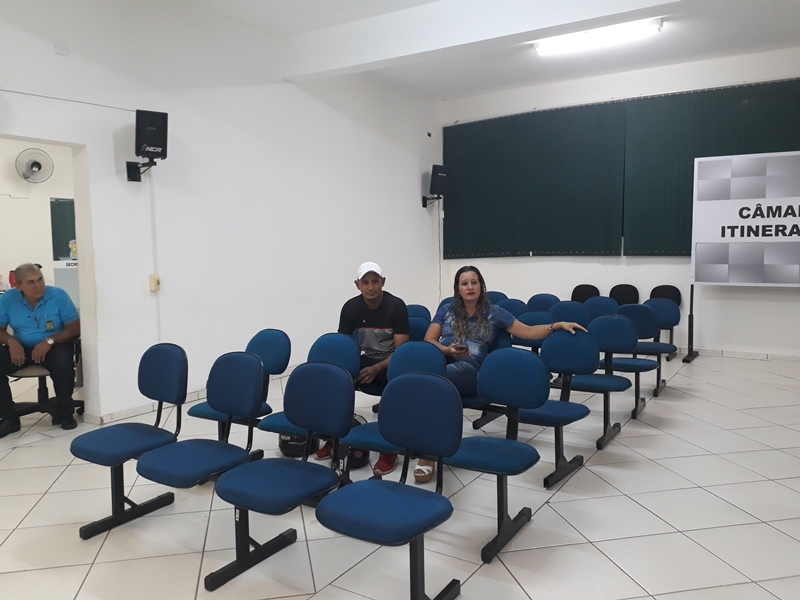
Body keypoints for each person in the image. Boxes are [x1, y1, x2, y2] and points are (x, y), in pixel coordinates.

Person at [417, 265, 586, 483]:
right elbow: (429, 339)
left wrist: (557, 325)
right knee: (419, 377)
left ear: (481, 285)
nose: (470, 287)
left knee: (437, 382)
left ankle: (428, 453)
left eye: (474, 282)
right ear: (457, 288)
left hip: (471, 368)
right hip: (443, 357)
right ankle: (415, 440)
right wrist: (447, 350)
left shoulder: (495, 313)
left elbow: (527, 331)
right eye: (464, 283)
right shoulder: (446, 310)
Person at [333, 261, 410, 476]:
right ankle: (334, 436)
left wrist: (377, 368)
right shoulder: (351, 307)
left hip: (392, 360)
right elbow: (343, 346)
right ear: (357, 284)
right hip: (366, 359)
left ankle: (389, 449)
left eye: (375, 281)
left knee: (396, 382)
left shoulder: (396, 306)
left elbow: (402, 352)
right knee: (337, 377)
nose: (371, 287)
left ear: (383, 282)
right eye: (365, 282)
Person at [0, 263, 81, 437]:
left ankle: (65, 413)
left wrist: (49, 341)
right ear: (18, 285)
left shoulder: (58, 295)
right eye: (31, 282)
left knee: (63, 362)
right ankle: (9, 418)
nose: (38, 286)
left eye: (40, 279)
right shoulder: (8, 298)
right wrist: (11, 342)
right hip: (22, 347)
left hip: (55, 344)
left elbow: (75, 328)